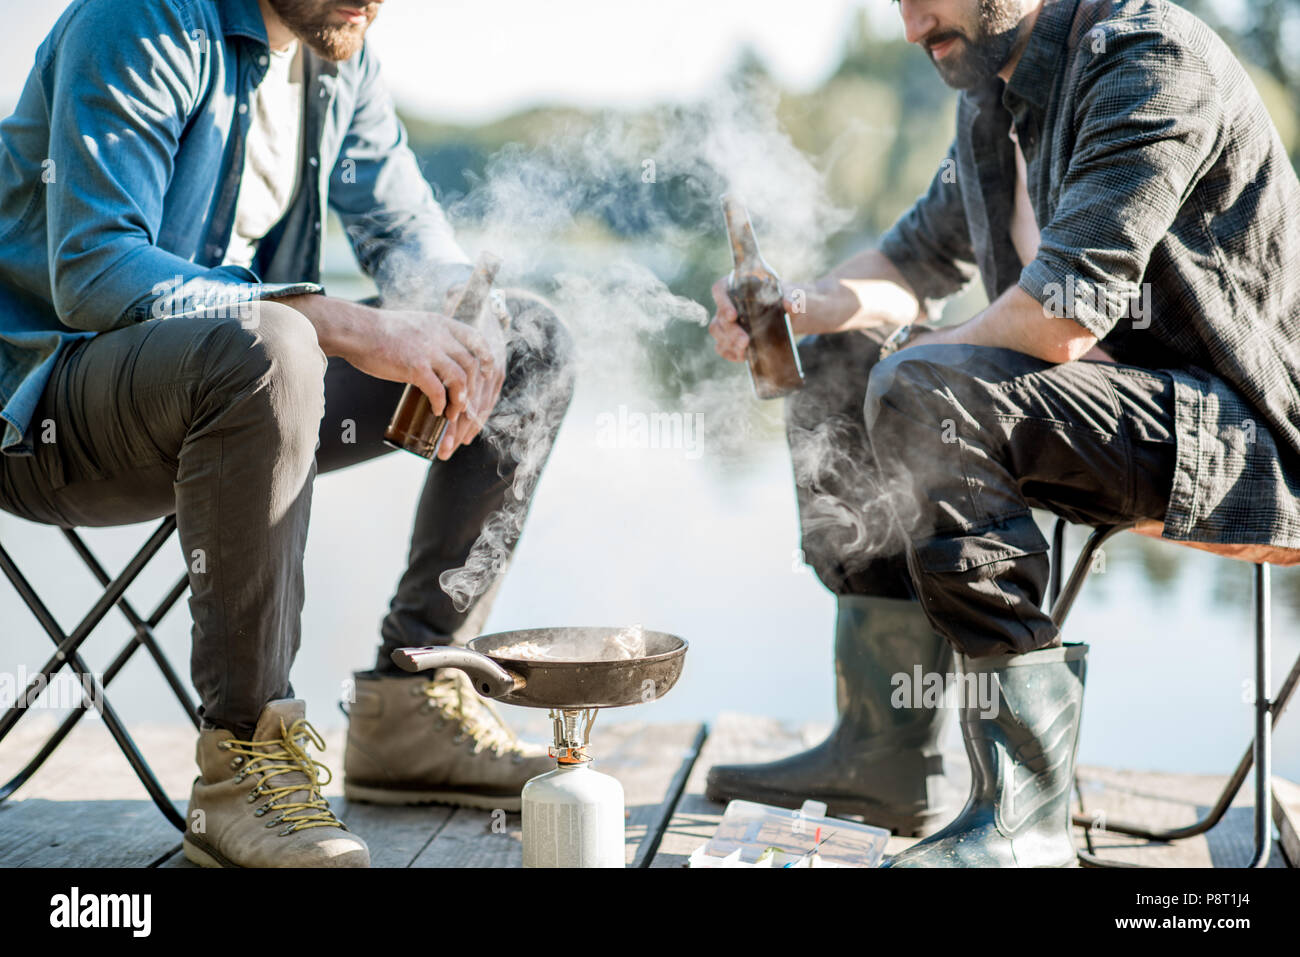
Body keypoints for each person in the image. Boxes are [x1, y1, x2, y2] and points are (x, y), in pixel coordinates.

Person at [706, 0, 1300, 866]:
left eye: (926, 0)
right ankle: (885, 747)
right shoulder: (993, 98)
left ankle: (1024, 815)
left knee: (917, 384)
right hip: (1099, 418)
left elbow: (1062, 313)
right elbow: (911, 263)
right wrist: (803, 306)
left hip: (1241, 444)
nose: (911, 29)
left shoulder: (1148, 59)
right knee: (842, 359)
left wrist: (905, 370)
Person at [0, 0, 574, 868]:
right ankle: (244, 760)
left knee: (528, 345)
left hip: (230, 402)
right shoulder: (140, 17)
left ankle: (414, 701)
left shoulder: (337, 48)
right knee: (274, 343)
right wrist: (349, 325)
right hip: (48, 415)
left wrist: (462, 309)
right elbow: (94, 271)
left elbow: (404, 229)